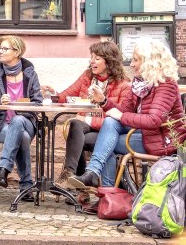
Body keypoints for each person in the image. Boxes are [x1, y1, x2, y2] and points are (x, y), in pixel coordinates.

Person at [69, 39, 186, 189]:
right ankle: (97, 179)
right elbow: (123, 110)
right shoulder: (140, 85)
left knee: (104, 143)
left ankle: (104, 191)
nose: (131, 64)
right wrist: (104, 101)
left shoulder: (166, 85)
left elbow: (154, 120)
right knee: (110, 125)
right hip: (143, 133)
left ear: (149, 62)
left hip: (160, 140)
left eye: (135, 60)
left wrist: (121, 116)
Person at [42, 41, 130, 184]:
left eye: (97, 58)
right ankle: (70, 173)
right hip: (85, 128)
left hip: (109, 132)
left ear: (109, 61)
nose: (91, 61)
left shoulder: (123, 84)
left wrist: (88, 121)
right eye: (91, 57)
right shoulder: (87, 76)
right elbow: (67, 95)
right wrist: (54, 94)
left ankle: (77, 184)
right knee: (76, 124)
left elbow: (118, 120)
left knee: (79, 136)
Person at [0, 35, 43, 202]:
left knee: (18, 122)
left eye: (5, 48)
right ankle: (26, 186)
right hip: (1, 126)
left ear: (17, 52)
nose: (0, 52)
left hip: (27, 122)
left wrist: (22, 106)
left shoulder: (30, 74)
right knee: (21, 136)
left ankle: (3, 168)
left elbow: (38, 103)